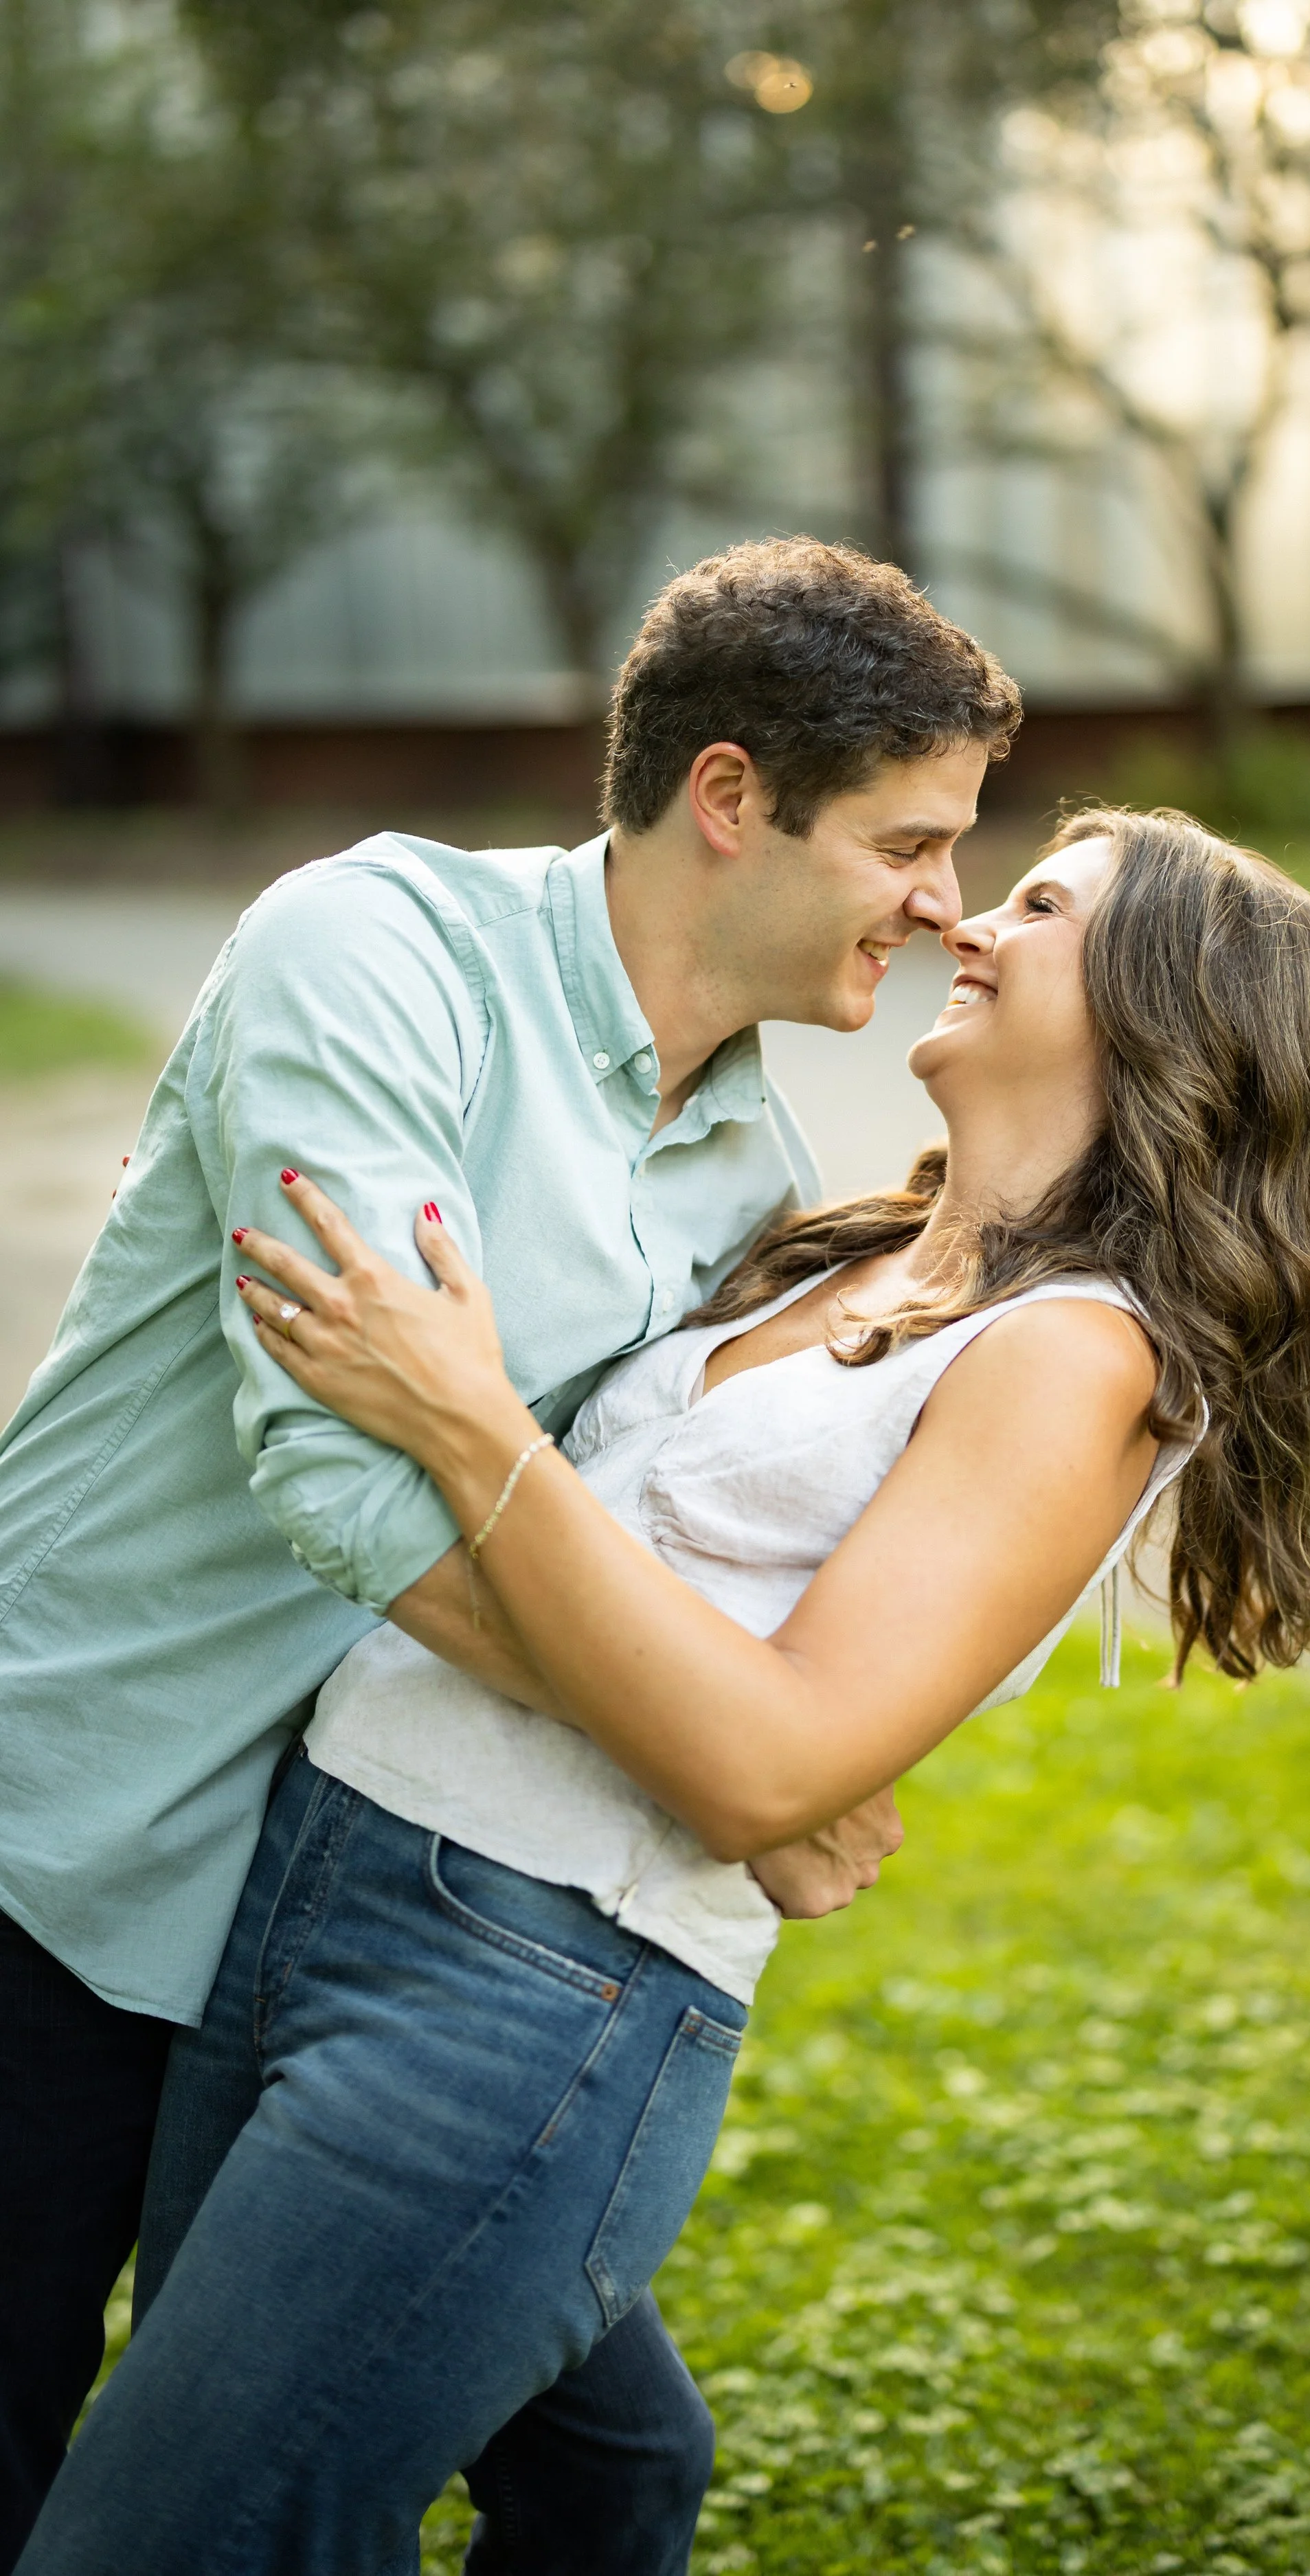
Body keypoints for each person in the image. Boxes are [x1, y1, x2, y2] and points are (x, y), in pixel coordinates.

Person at [19, 807, 1310, 2576]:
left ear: (1162, 1011)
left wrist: (464, 1416)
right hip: (304, 1884)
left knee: (166, 2543)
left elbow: (764, 1766)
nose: (964, 923)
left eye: (1038, 906)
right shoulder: (830, 1244)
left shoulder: (1075, 1353)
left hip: (528, 1986)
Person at [0, 536, 1025, 2575]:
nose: (947, 905)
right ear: (730, 797)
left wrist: (785, 1743)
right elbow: (349, 1479)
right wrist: (733, 1764)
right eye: (911, 843)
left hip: (337, 1916)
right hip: (63, 1842)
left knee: (605, 2459)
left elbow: (598, 1523)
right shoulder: (371, 947)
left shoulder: (756, 1160)